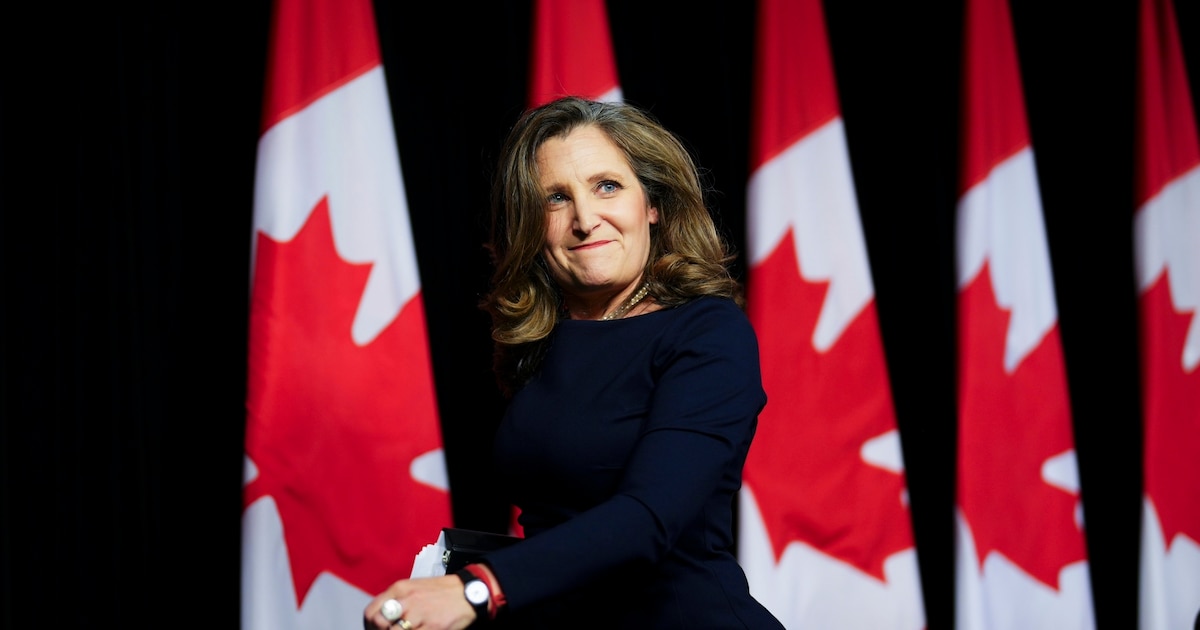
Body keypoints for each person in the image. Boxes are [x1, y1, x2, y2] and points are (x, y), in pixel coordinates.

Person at [364, 96, 784, 629]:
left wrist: (478, 588)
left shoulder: (708, 331)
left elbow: (649, 518)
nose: (585, 220)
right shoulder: (539, 340)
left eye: (607, 186)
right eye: (556, 198)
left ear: (652, 204)